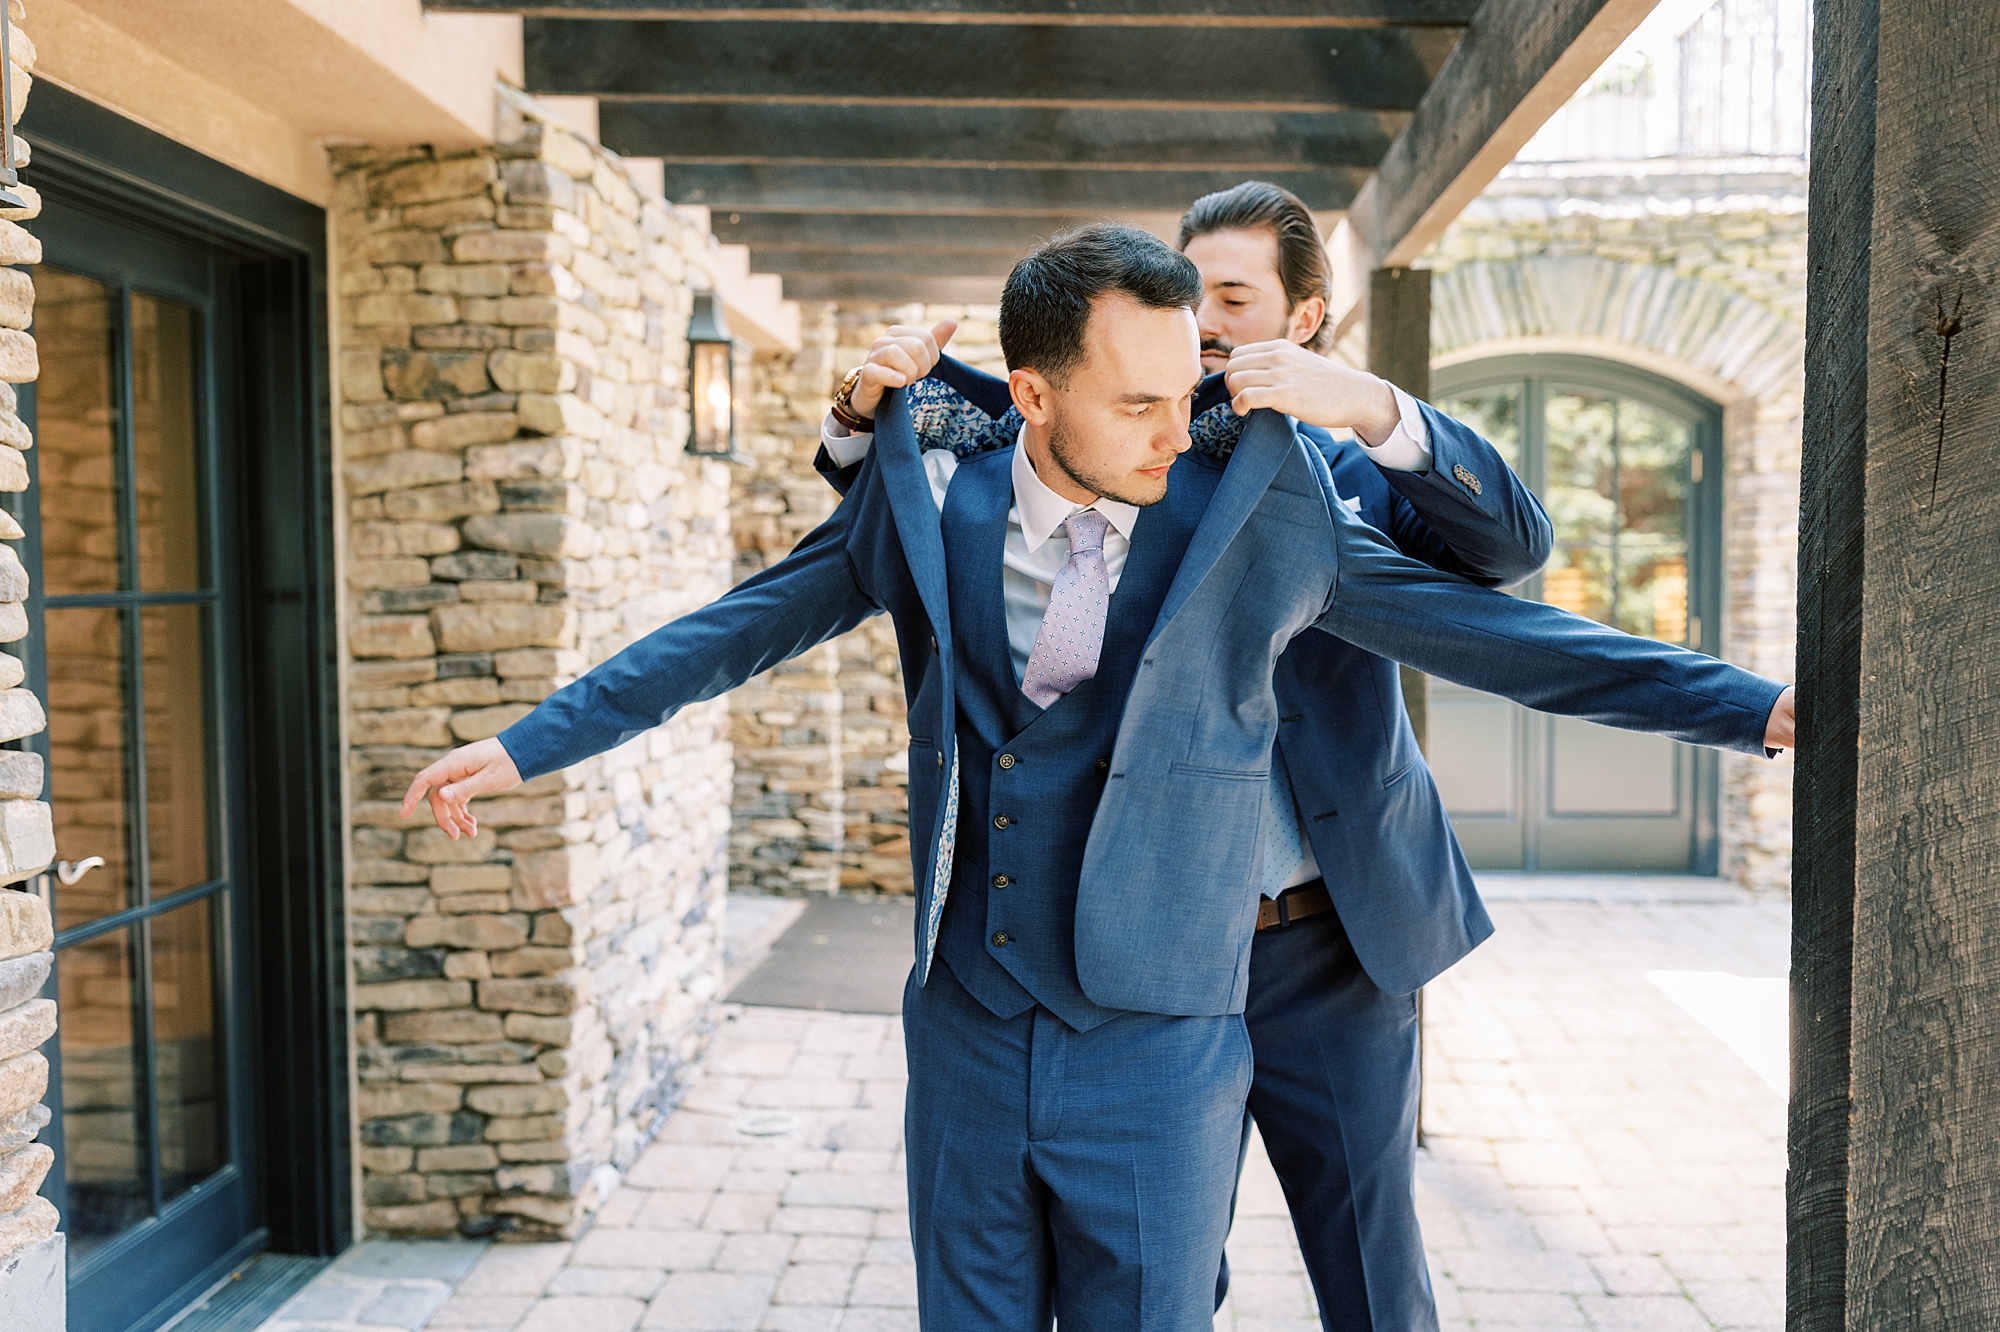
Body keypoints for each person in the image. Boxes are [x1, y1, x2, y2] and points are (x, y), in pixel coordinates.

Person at [402, 224, 1793, 1332]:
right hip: (965, 1017)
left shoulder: (1264, 507)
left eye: (1186, 392)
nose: (1171, 430)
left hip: (1161, 1036)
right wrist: (527, 745)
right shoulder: (928, 497)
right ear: (1031, 394)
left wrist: (1762, 712)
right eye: (1135, 403)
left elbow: (1509, 636)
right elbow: (735, 628)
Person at [811, 179, 1584, 1331]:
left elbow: (1510, 550)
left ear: (1305, 319)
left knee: (1370, 1261)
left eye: (1233, 297)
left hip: (1324, 940)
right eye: (1191, 293)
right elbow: (934, 503)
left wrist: (1372, 409)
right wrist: (848, 416)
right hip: (1143, 955)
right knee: (1166, 1267)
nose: (1207, 323)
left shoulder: (1349, 477)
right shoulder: (1134, 458)